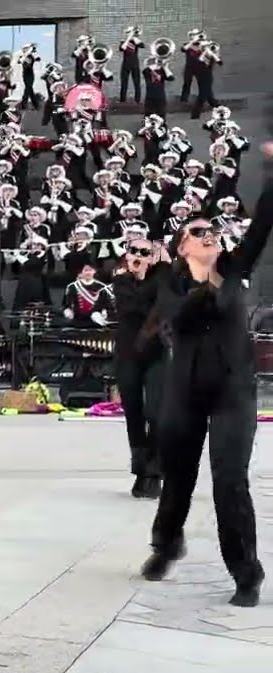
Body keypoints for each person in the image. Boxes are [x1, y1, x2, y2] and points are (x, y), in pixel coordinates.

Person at [140, 143, 272, 608]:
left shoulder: (236, 269)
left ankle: (246, 573)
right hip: (185, 392)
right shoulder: (169, 283)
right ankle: (166, 544)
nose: (209, 233)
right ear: (182, 246)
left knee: (229, 479)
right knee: (178, 476)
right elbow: (178, 316)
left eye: (213, 229)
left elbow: (262, 225)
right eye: (198, 231)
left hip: (234, 392)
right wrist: (204, 283)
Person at [111, 237, 169, 499]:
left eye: (144, 252)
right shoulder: (120, 281)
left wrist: (152, 276)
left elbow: (158, 310)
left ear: (152, 258)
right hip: (128, 353)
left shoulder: (163, 281)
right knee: (133, 413)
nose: (137, 255)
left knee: (156, 411)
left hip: (157, 352)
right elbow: (130, 309)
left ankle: (154, 472)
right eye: (133, 250)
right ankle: (141, 471)